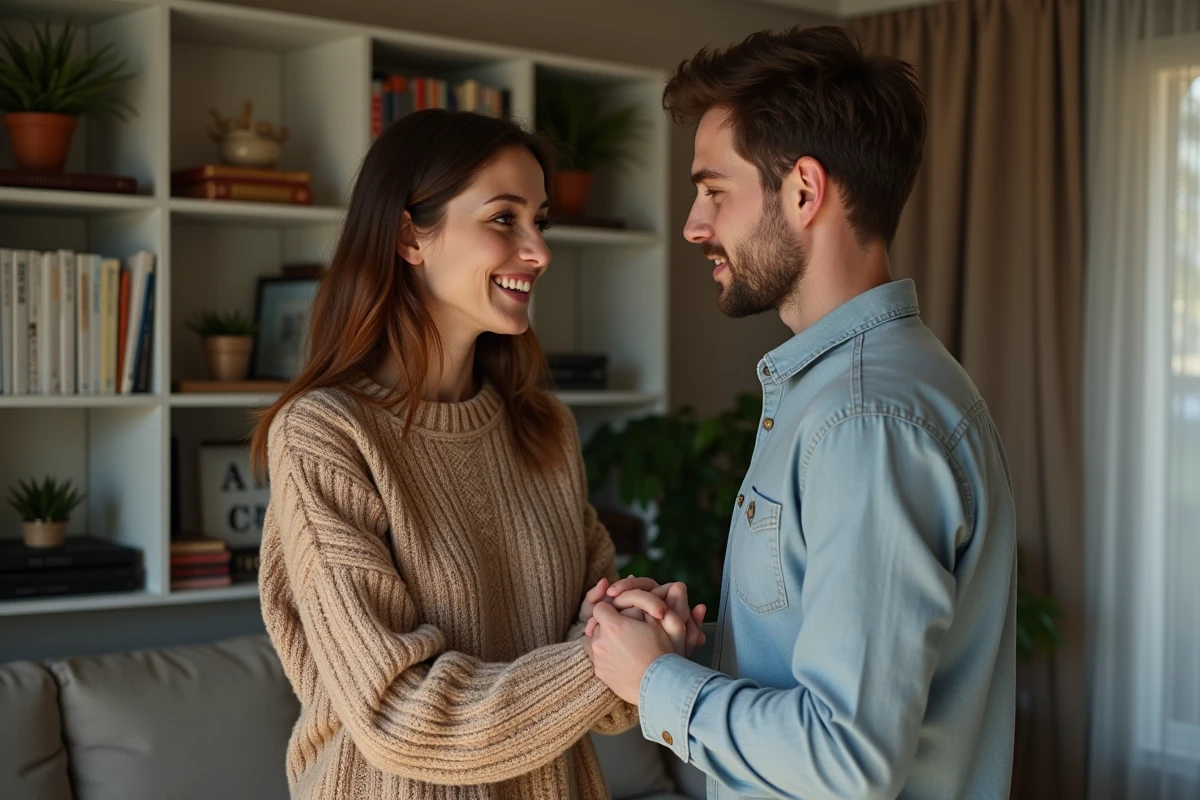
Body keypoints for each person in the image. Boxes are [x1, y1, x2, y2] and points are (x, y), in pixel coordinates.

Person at [585, 26, 1018, 800]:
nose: (693, 224)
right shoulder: (843, 396)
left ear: (804, 192)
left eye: (714, 191)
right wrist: (680, 652)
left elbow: (847, 758)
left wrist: (655, 684)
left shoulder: (866, 420)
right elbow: (816, 666)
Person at [249, 109, 706, 800]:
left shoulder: (544, 429)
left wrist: (639, 631)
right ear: (409, 235)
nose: (539, 250)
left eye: (540, 222)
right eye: (503, 218)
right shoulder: (325, 435)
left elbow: (610, 705)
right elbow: (396, 714)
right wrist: (616, 658)